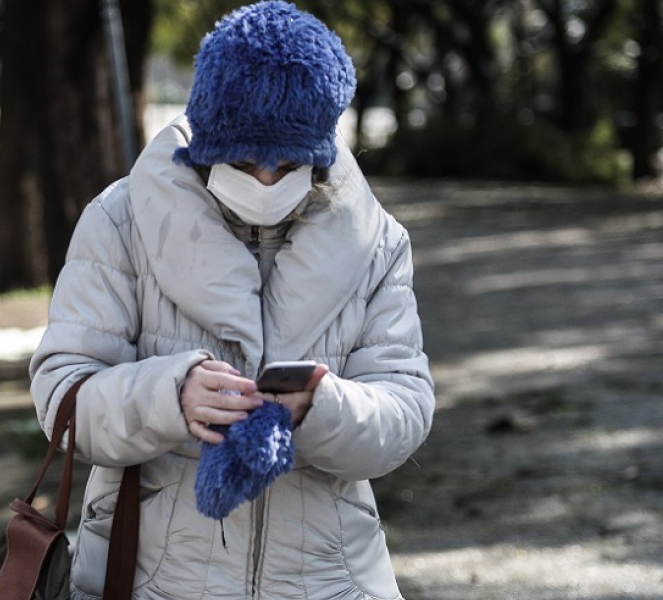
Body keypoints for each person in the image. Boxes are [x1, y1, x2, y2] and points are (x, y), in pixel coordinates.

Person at [29, 2, 435, 599]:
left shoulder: (376, 241)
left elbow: (405, 411)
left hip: (328, 580)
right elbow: (63, 395)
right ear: (208, 140)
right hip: (151, 580)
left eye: (290, 163)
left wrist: (322, 407)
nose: (267, 181)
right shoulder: (121, 221)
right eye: (245, 162)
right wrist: (171, 395)